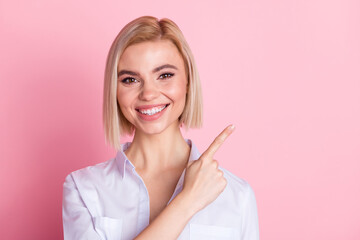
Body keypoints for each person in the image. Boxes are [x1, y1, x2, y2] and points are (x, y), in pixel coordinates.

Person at [62, 16, 259, 240]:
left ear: (188, 82)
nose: (148, 93)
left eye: (164, 75)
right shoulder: (84, 189)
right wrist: (188, 201)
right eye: (130, 79)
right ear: (114, 92)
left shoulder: (237, 196)